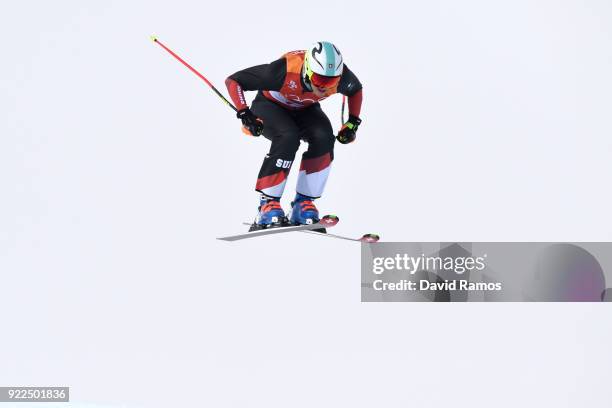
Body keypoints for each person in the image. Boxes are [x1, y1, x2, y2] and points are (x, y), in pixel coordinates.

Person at [225, 41, 363, 229]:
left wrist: (352, 123)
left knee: (324, 137)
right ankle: (267, 205)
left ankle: (303, 204)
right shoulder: (284, 70)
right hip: (270, 105)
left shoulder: (341, 76)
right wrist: (245, 113)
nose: (323, 86)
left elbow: (355, 90)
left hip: (305, 107)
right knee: (288, 136)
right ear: (307, 69)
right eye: (319, 79)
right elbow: (234, 81)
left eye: (330, 81)